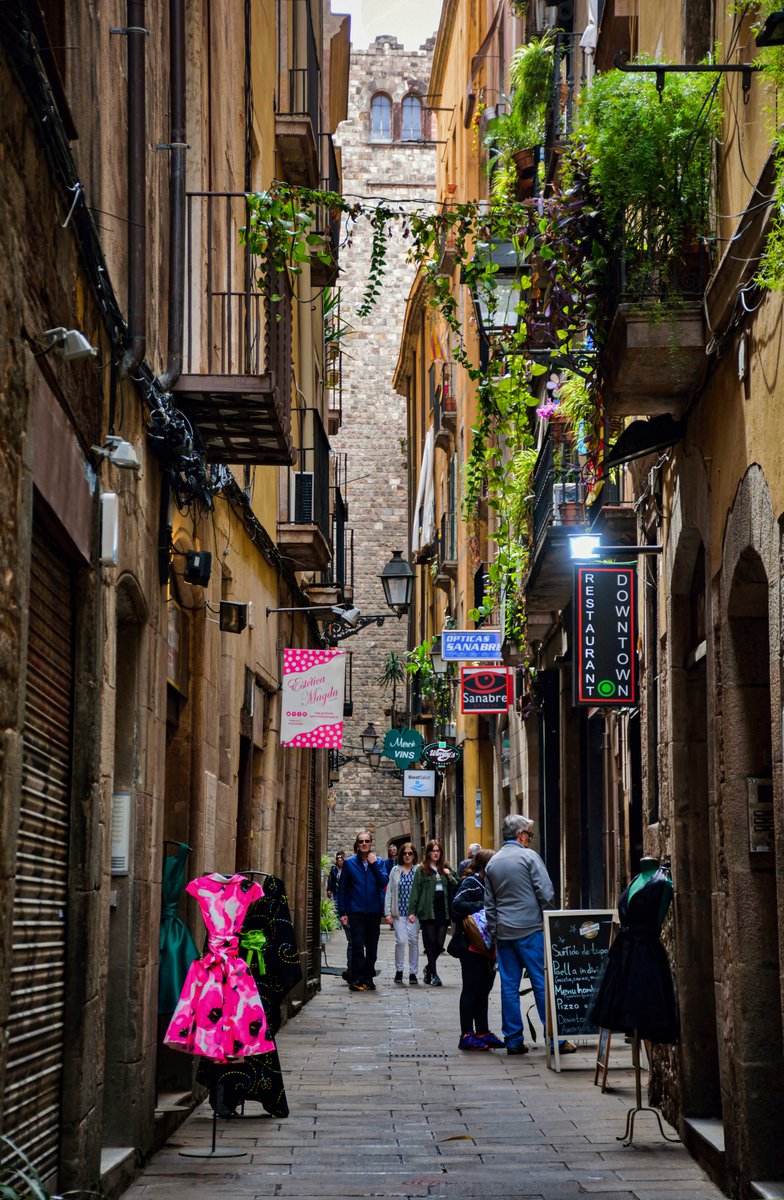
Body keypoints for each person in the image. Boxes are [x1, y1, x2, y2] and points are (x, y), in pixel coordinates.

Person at [484, 814, 575, 1055]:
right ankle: (554, 1038)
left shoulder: (493, 863)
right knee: (541, 982)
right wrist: (551, 919)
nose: (530, 839)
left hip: (504, 933)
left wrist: (495, 931)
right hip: (531, 929)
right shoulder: (529, 857)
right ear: (521, 835)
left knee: (509, 986)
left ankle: (513, 1039)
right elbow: (546, 892)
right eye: (529, 835)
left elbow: (489, 904)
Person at [452, 849, 504, 1051]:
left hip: (488, 948)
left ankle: (482, 1031)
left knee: (484, 990)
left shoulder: (493, 883)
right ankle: (466, 1034)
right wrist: (483, 905)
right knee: (471, 990)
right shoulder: (471, 883)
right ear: (485, 866)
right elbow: (457, 905)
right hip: (471, 946)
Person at [336, 830, 388, 992]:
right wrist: (342, 912)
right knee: (358, 945)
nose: (364, 844)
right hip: (356, 911)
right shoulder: (350, 863)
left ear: (371, 843)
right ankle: (359, 978)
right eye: (361, 841)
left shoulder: (379, 862)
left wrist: (373, 865)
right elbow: (343, 889)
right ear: (357, 845)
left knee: (372, 947)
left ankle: (369, 976)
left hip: (373, 911)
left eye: (367, 841)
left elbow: (383, 882)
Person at [409, 838, 455, 986]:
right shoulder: (421, 869)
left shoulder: (446, 866)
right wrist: (412, 911)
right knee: (431, 942)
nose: (435, 853)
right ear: (428, 853)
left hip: (443, 907)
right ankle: (434, 974)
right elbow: (415, 891)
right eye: (433, 851)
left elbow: (458, 882)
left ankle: (428, 969)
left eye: (438, 851)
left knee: (439, 943)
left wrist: (449, 876)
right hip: (428, 908)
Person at [384, 842, 420, 984]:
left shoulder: (419, 870)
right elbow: (389, 892)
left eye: (410, 853)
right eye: (404, 853)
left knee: (413, 940)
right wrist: (387, 912)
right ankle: (399, 970)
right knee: (400, 941)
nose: (407, 856)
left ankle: (413, 973)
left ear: (414, 855)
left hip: (413, 913)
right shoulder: (395, 870)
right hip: (398, 913)